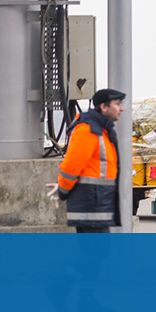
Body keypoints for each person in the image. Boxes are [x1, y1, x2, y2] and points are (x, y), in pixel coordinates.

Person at [52, 88, 126, 233]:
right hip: (91, 210)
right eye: (117, 104)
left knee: (97, 254)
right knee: (96, 254)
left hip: (98, 208)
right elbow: (71, 167)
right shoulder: (88, 130)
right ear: (104, 107)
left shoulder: (102, 130)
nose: (121, 109)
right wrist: (62, 191)